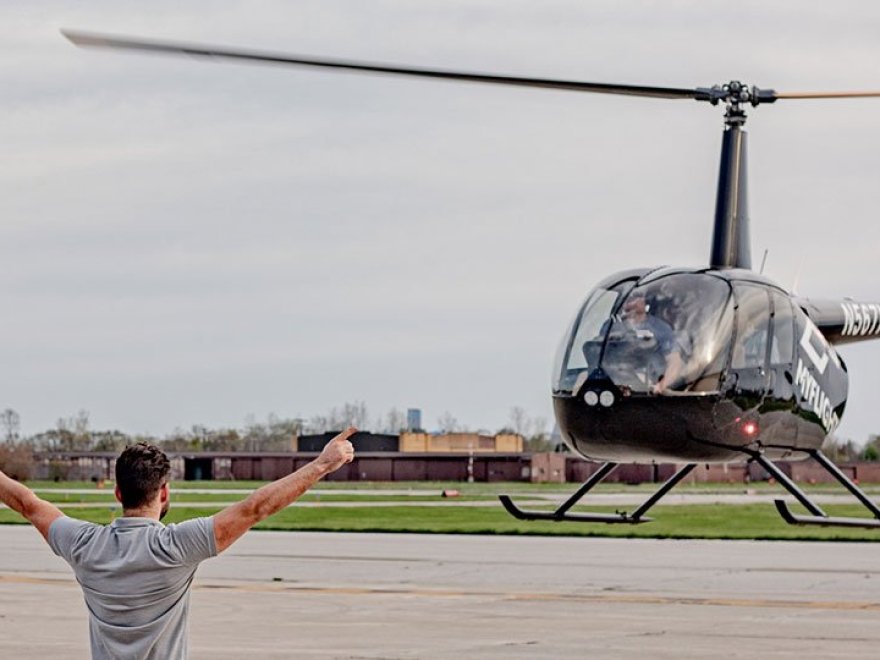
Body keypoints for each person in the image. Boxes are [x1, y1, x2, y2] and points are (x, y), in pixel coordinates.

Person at [0, 427, 356, 659]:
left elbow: (28, 504)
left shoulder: (83, 544)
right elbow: (255, 508)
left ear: (118, 492)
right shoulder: (176, 547)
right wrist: (323, 464)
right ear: (165, 492)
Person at [619, 294, 683, 394]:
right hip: (618, 386)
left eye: (636, 297)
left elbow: (675, 362)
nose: (631, 302)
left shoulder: (660, 328)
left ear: (645, 301)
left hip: (649, 387)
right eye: (628, 298)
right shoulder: (610, 328)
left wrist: (661, 386)